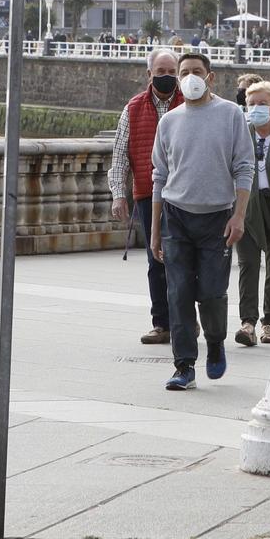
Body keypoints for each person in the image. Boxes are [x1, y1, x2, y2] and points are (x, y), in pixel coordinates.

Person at [150, 50, 253, 392]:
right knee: (178, 293)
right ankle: (183, 364)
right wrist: (154, 231)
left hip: (217, 218)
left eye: (197, 71)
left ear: (210, 77)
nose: (190, 77)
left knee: (211, 292)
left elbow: (244, 167)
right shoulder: (169, 121)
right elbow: (159, 176)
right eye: (185, 72)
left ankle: (215, 342)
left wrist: (239, 215)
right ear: (179, 80)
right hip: (176, 217)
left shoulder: (231, 115)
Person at [107, 48, 181, 345]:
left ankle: (185, 320)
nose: (166, 77)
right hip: (147, 194)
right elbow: (120, 155)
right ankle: (162, 323)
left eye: (171, 72)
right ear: (149, 74)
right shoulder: (134, 108)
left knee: (182, 260)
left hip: (185, 195)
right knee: (156, 260)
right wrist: (118, 194)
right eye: (160, 72)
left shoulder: (190, 103)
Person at [234, 79, 270, 349]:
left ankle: (269, 321)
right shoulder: (239, 133)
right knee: (248, 263)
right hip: (246, 205)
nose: (256, 108)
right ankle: (248, 322)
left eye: (262, 103)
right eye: (252, 103)